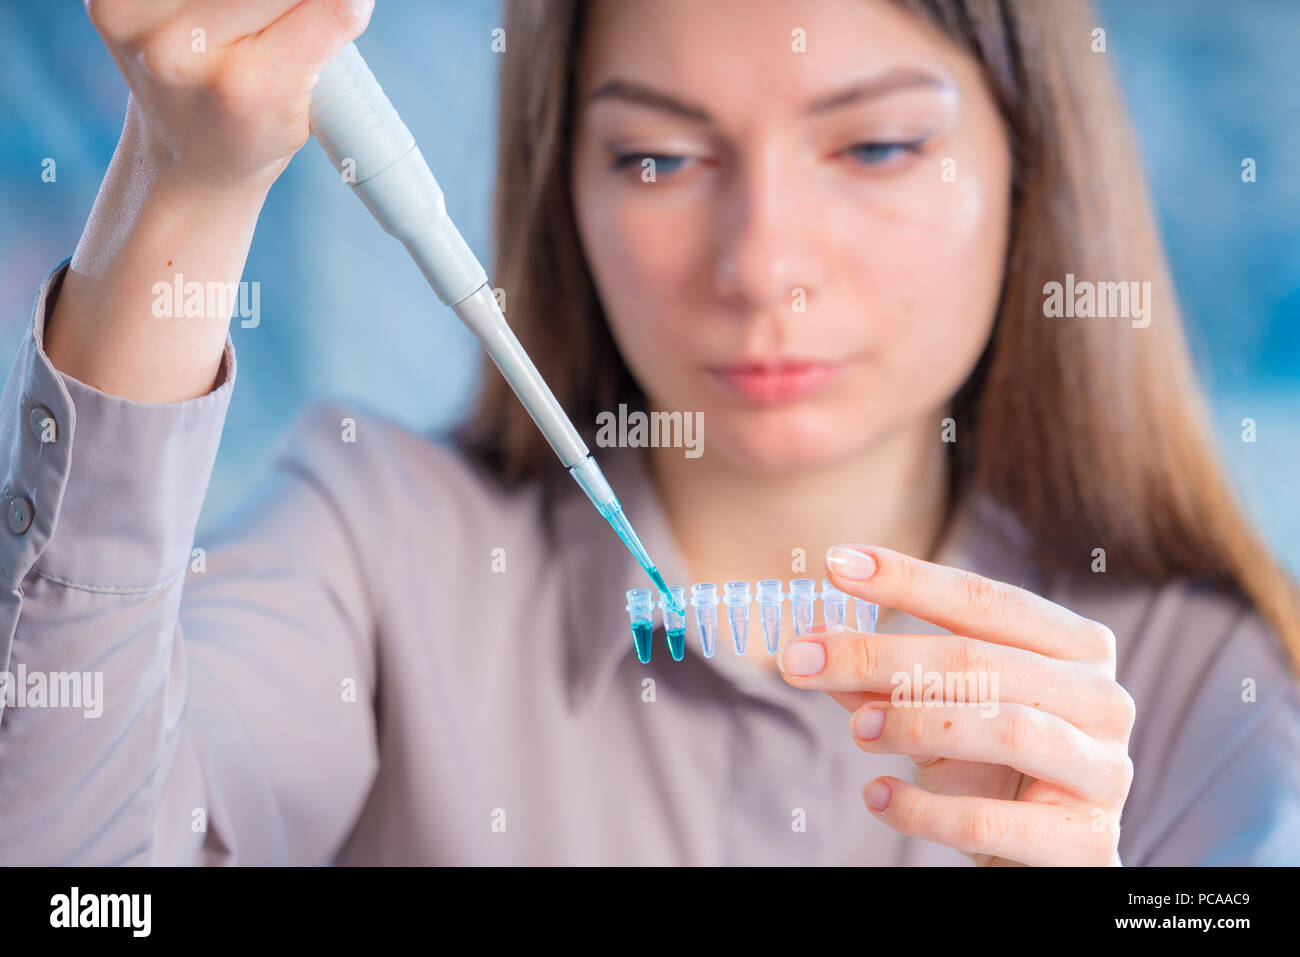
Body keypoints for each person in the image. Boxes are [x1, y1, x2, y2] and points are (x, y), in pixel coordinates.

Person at [1, 0, 1296, 866]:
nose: (763, 264)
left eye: (880, 146)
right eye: (659, 160)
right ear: (561, 188)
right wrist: (191, 174)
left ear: (1033, 160)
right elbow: (66, 863)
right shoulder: (374, 546)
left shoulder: (1208, 695)